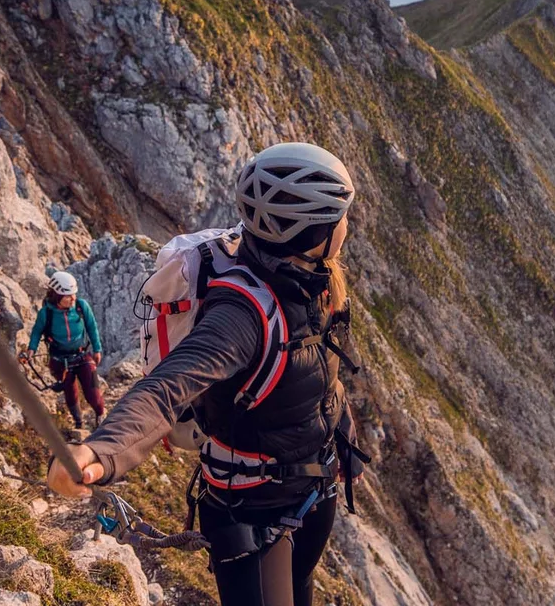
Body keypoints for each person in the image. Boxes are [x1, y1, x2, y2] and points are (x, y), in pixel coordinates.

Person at [48, 142, 364, 606]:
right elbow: (165, 389)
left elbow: (320, 377)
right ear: (311, 230)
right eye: (340, 217)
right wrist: (102, 450)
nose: (347, 226)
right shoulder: (242, 314)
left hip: (313, 490)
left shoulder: (312, 280)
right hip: (254, 518)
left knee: (300, 593)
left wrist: (343, 444)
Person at [23, 271, 107, 429]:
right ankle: (79, 423)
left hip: (82, 356)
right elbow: (36, 331)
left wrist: (97, 349)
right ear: (56, 296)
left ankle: (101, 414)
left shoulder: (81, 307)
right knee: (70, 393)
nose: (73, 298)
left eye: (74, 294)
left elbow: (91, 326)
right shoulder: (46, 314)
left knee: (93, 393)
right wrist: (31, 350)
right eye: (68, 296)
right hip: (60, 361)